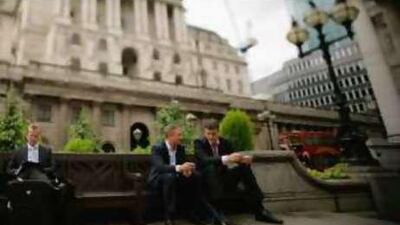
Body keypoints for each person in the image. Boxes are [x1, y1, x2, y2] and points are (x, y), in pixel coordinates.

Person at [194, 119, 283, 224]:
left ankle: (260, 210)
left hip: (224, 178)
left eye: (214, 134)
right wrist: (227, 158)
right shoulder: (199, 143)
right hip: (207, 180)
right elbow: (204, 160)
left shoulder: (225, 142)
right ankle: (219, 213)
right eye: (208, 134)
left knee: (244, 167)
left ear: (218, 132)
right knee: (211, 168)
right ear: (204, 133)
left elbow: (235, 157)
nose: (211, 137)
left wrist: (243, 159)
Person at [148, 124, 221, 225]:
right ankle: (169, 217)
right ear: (170, 136)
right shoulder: (157, 148)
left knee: (196, 176)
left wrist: (187, 170)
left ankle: (192, 212)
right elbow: (160, 167)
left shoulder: (181, 148)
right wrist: (180, 168)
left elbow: (183, 164)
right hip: (159, 180)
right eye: (179, 135)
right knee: (169, 177)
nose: (181, 137)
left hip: (176, 179)